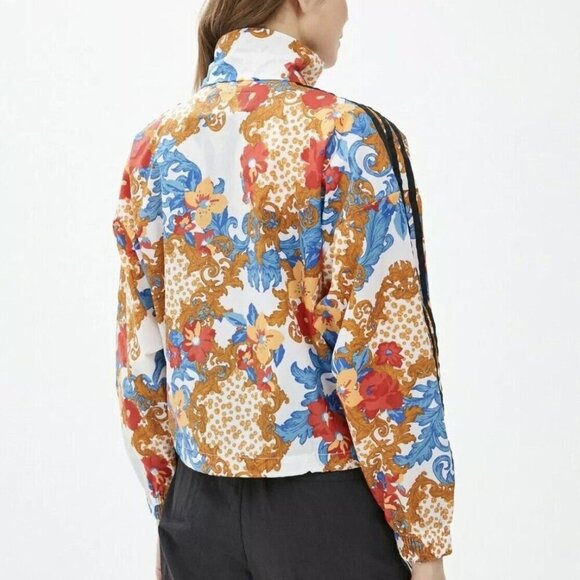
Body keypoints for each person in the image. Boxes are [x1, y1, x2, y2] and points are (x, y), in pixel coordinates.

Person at [111, 1, 456, 579]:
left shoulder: (156, 145)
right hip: (326, 511)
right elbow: (385, 349)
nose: (348, 13)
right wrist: (425, 544)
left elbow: (140, 358)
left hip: (196, 510)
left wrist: (167, 509)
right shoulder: (346, 135)